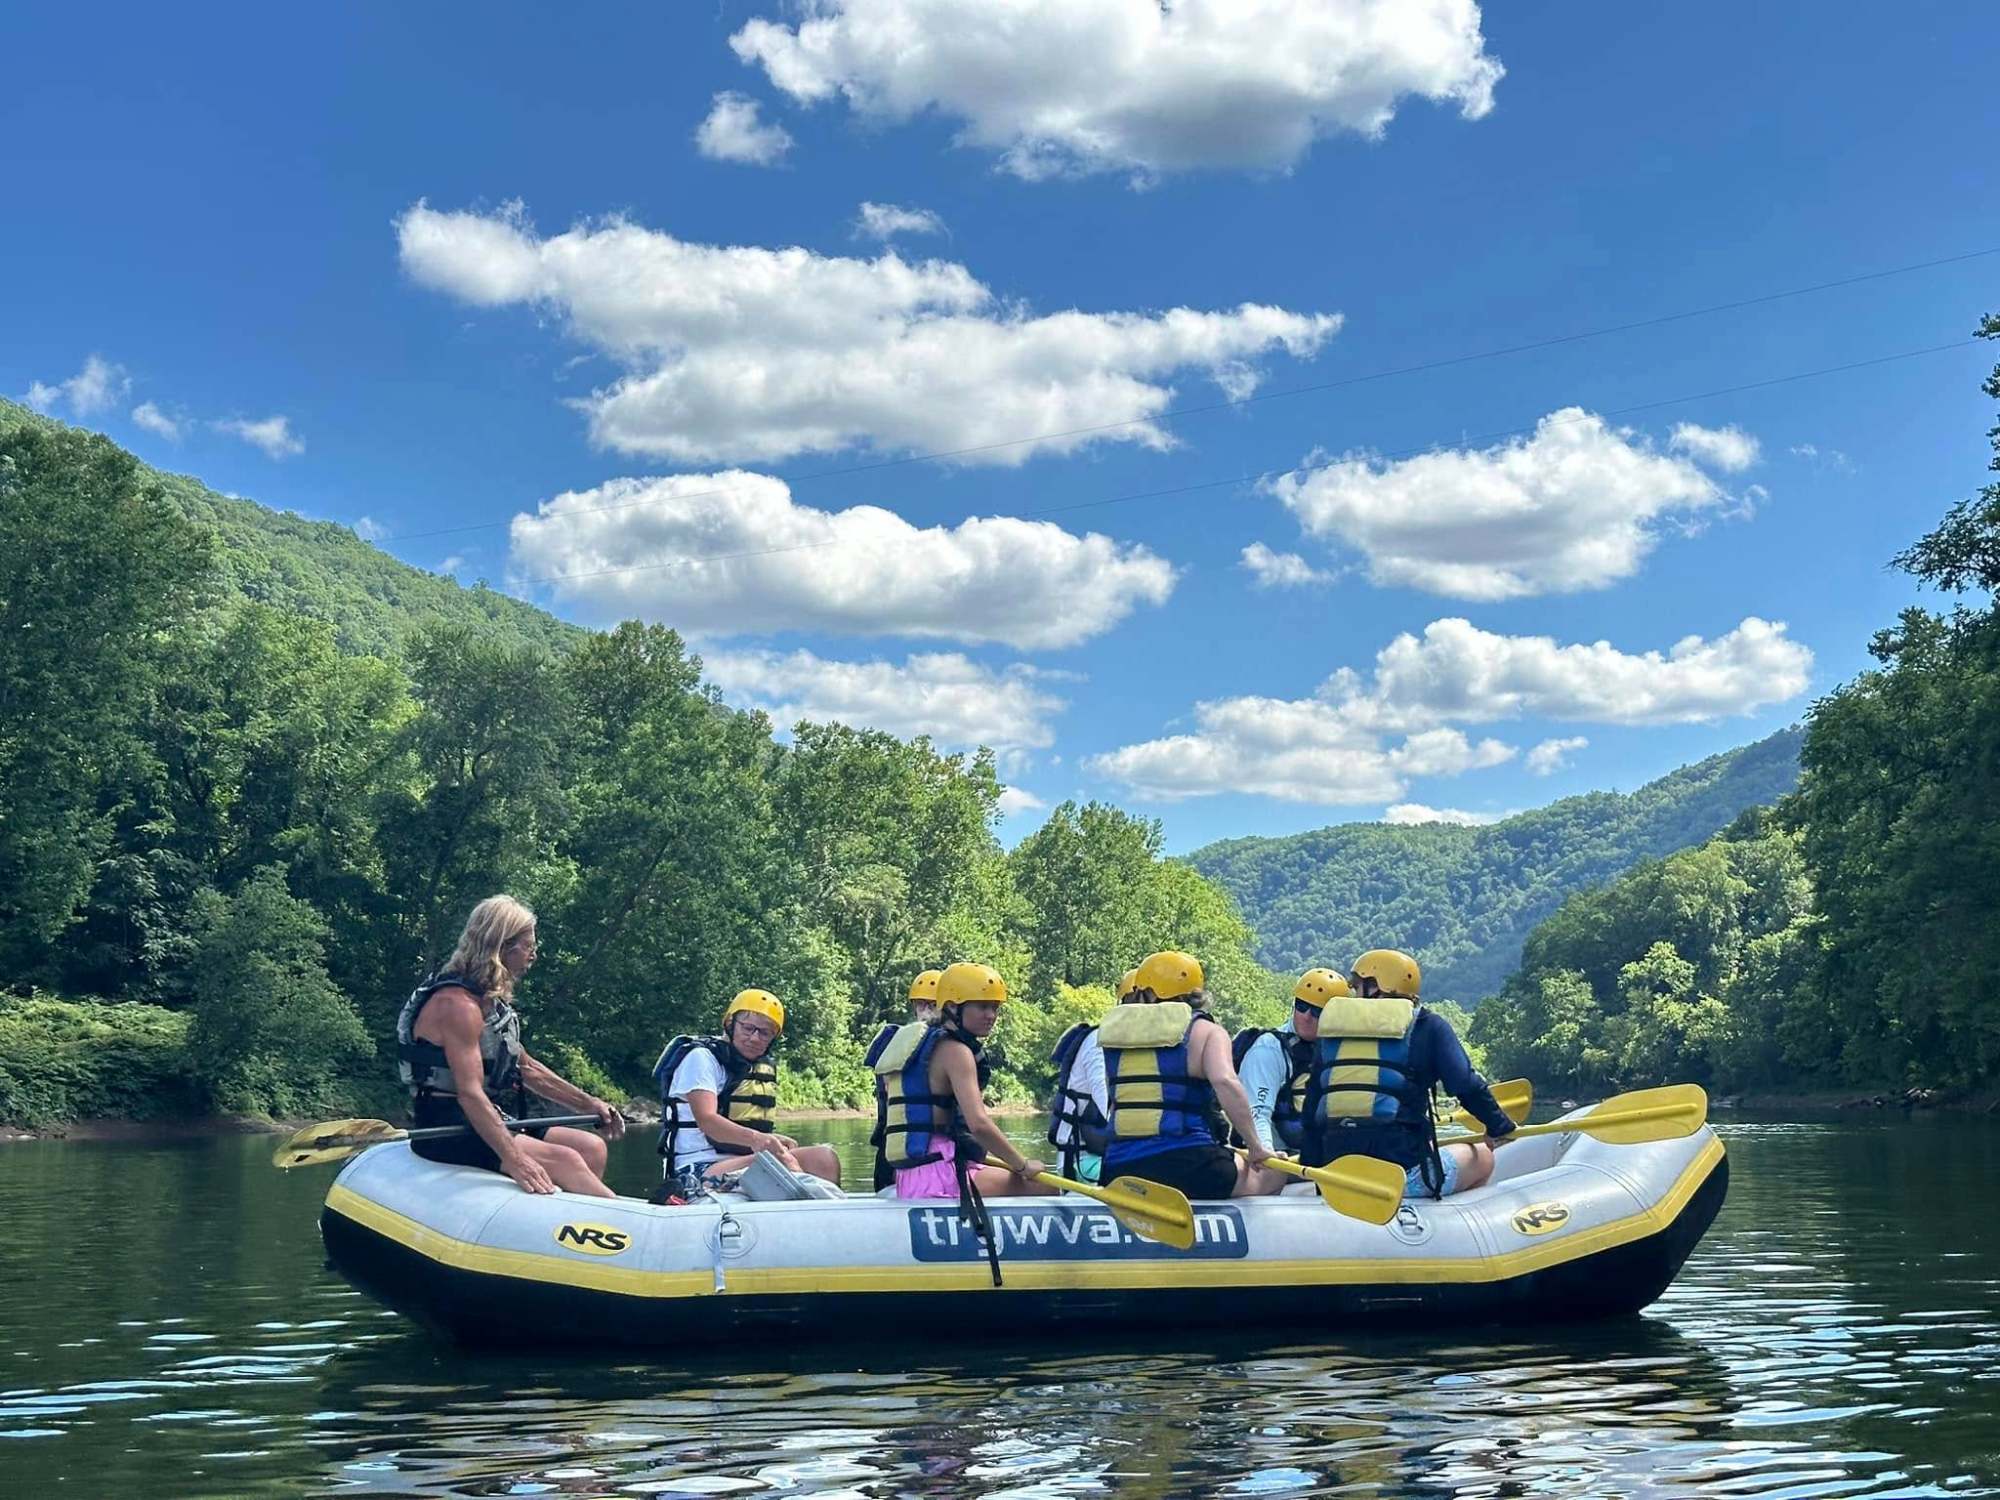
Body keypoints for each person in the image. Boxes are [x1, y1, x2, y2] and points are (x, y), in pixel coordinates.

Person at [397, 895, 624, 1197]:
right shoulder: (457, 1005)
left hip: (484, 1116)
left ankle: (568, 1229)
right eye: (529, 946)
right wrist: (515, 1159)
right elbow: (470, 1094)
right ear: (503, 946)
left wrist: (590, 1104)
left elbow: (526, 1068)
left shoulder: (488, 1002)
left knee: (590, 1147)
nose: (534, 955)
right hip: (446, 1124)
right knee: (565, 1159)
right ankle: (628, 1225)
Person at [1301, 948, 1516, 1198]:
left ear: (1374, 987)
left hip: (1337, 1181)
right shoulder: (1427, 1026)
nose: (1355, 994)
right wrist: (1498, 1126)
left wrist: (1319, 1185)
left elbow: (1311, 1115)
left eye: (1357, 987)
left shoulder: (1331, 1036)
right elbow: (1467, 1086)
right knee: (1482, 1155)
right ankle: (1443, 1225)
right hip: (1400, 1180)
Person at [1101, 950, 1281, 1199]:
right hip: (1190, 1165)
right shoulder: (1207, 1031)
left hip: (1118, 1168)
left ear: (1143, 992)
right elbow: (1225, 1082)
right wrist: (1256, 1148)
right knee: (1273, 1174)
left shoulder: (1116, 1039)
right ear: (1196, 993)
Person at [875, 962, 1053, 1201]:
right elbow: (979, 1125)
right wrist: (1022, 1165)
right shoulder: (956, 1051)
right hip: (939, 1176)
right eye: (982, 1007)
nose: (991, 1016)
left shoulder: (921, 1045)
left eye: (995, 1008)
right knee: (1045, 1187)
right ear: (951, 1007)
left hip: (912, 1176)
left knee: (1005, 1174)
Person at [655, 989, 842, 1198]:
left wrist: (770, 1140)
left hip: (744, 1161)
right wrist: (759, 1140)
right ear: (730, 1024)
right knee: (778, 1160)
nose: (754, 1038)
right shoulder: (701, 1058)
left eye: (765, 1033)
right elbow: (708, 1121)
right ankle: (817, 1206)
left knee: (823, 1158)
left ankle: (820, 1214)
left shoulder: (754, 1066)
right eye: (748, 1028)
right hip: (697, 1169)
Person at [1235, 968, 1347, 1157]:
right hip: (1279, 1159)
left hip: (1322, 1156)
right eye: (1301, 1005)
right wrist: (1265, 1152)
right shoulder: (1269, 1048)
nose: (1306, 1016)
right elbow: (1257, 1112)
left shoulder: (1341, 1050)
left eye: (1317, 1011)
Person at [1043, 966, 1134, 1182]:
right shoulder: (1099, 1041)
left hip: (1117, 1157)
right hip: (1083, 1163)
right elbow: (1104, 1106)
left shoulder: (1141, 1051)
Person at [867, 969, 944, 1189]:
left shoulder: (935, 1044)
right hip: (898, 1154)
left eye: (932, 1004)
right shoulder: (899, 1044)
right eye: (921, 1005)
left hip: (919, 1152)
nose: (926, 1011)